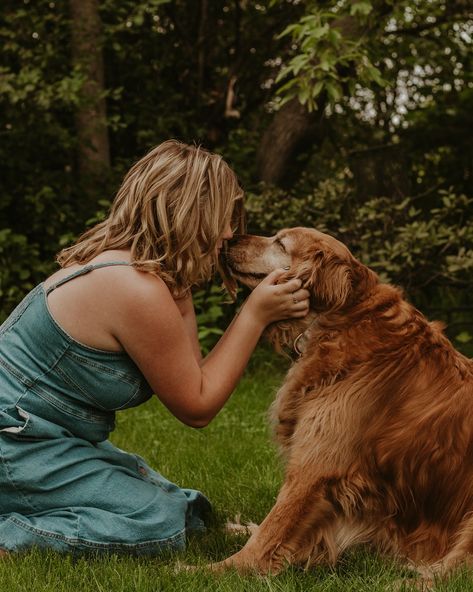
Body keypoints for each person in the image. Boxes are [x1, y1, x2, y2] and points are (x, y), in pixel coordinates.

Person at [0, 140, 309, 556]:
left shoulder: (153, 278)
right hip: (16, 441)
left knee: (191, 509)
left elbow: (193, 375)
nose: (228, 233)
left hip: (49, 438)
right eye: (220, 218)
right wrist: (254, 315)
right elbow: (197, 406)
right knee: (157, 523)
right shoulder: (133, 288)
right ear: (186, 213)